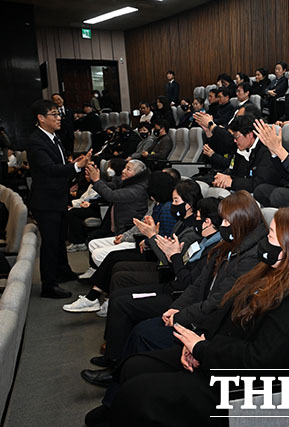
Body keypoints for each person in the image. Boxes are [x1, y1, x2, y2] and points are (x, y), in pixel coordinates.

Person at [85, 206, 289, 427]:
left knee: (137, 392)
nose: (265, 241)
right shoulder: (268, 270)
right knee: (134, 365)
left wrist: (201, 349)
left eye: (271, 235)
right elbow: (225, 309)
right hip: (216, 353)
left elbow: (260, 360)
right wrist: (198, 339)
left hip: (237, 383)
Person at [81, 197, 223, 379]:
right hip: (174, 287)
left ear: (207, 221)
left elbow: (187, 281)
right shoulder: (203, 240)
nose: (196, 219)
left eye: (198, 216)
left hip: (178, 294)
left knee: (124, 305)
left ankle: (116, 364)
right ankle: (113, 355)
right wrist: (169, 252)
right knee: (118, 296)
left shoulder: (213, 248)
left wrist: (170, 253)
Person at [66, 180, 201, 313]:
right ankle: (99, 298)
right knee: (116, 264)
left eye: (176, 201)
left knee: (118, 270)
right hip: (158, 258)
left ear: (188, 205)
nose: (173, 204)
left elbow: (169, 259)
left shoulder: (189, 229)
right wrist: (150, 236)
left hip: (165, 270)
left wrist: (151, 237)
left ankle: (105, 301)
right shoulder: (181, 221)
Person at [27, 99, 92, 298]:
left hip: (58, 197)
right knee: (50, 242)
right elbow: (49, 169)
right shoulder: (36, 141)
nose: (59, 118)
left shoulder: (54, 137)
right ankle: (49, 285)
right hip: (46, 201)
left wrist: (72, 170)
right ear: (41, 118)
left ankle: (63, 271)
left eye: (58, 114)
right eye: (54, 114)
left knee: (60, 239)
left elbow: (60, 165)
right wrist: (76, 167)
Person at [207, 115, 281, 198]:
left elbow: (259, 184)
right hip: (241, 193)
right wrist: (224, 179)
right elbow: (235, 173)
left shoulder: (266, 151)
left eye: (236, 137)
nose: (235, 140)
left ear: (250, 135)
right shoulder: (242, 148)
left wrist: (232, 182)